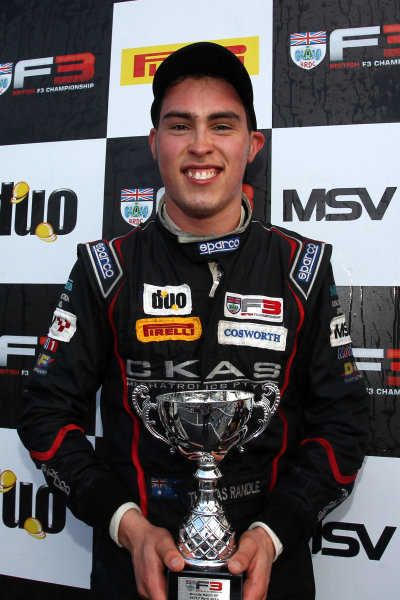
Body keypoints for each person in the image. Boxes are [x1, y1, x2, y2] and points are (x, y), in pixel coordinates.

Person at [18, 42, 369, 600]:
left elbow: (344, 425)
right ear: (154, 143)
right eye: (180, 125)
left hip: (270, 576)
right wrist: (127, 527)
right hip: (133, 575)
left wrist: (274, 533)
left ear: (252, 144)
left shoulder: (301, 269)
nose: (201, 145)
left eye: (221, 125)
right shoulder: (105, 271)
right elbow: (44, 415)